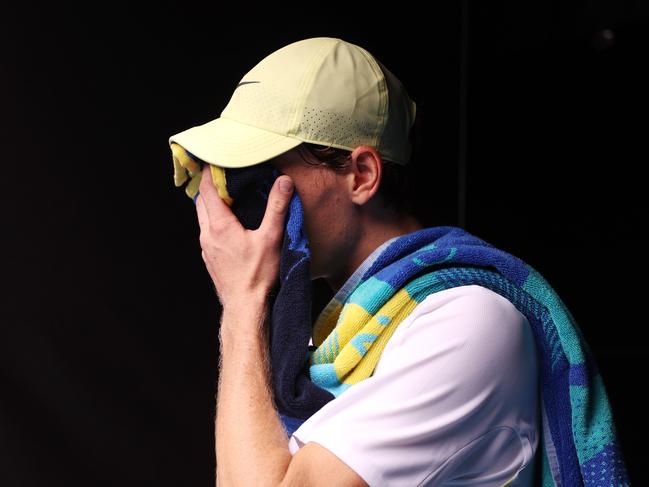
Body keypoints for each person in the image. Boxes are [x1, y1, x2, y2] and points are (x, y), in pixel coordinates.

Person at [170, 37, 540, 486]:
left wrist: (243, 304)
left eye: (266, 174)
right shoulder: (339, 345)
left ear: (362, 175)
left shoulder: (466, 323)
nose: (247, 203)